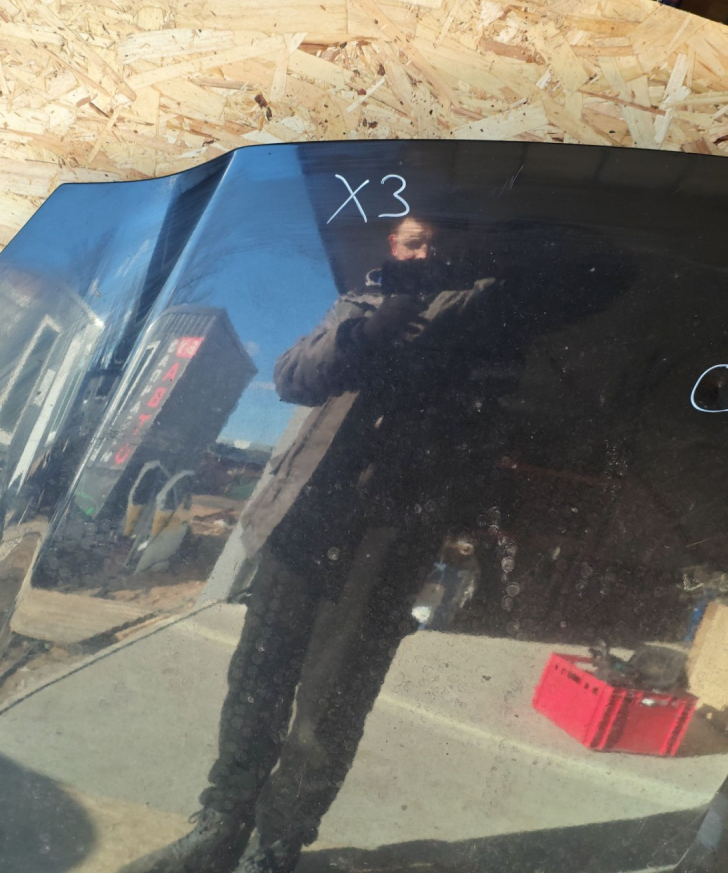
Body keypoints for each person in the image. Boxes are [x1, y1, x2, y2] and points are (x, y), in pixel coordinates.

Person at [124, 216, 531, 873]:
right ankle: (221, 824)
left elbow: (548, 313)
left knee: (332, 703)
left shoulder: (481, 307)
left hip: (390, 536)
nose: (426, 254)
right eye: (414, 243)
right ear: (393, 249)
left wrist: (463, 293)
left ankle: (275, 849)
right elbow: (292, 378)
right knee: (256, 681)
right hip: (304, 515)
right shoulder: (358, 303)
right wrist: (373, 329)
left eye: (438, 245)